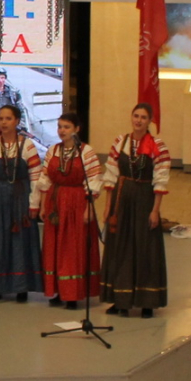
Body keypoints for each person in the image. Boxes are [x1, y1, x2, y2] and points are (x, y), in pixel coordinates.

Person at [102, 102, 171, 318]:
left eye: (143, 117)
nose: (138, 120)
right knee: (120, 248)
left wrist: (155, 210)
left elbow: (161, 179)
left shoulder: (157, 146)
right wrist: (108, 207)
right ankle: (120, 300)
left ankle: (146, 301)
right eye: (136, 116)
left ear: (149, 121)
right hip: (121, 201)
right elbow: (111, 175)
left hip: (144, 201)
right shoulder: (120, 142)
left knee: (145, 247)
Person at [0, 104, 43, 303]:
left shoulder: (28, 146)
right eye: (1, 119)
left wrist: (34, 203)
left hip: (20, 199)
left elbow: (35, 176)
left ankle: (22, 287)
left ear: (17, 121)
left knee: (20, 241)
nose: (4, 123)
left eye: (8, 119)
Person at [38, 113, 104, 310]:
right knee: (56, 247)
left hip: (76, 203)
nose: (62, 131)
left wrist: (88, 209)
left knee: (72, 248)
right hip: (56, 202)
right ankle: (59, 290)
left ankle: (73, 294)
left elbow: (93, 180)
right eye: (60, 126)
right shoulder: (53, 150)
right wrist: (43, 206)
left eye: (66, 127)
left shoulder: (86, 152)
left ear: (77, 129)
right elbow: (45, 179)